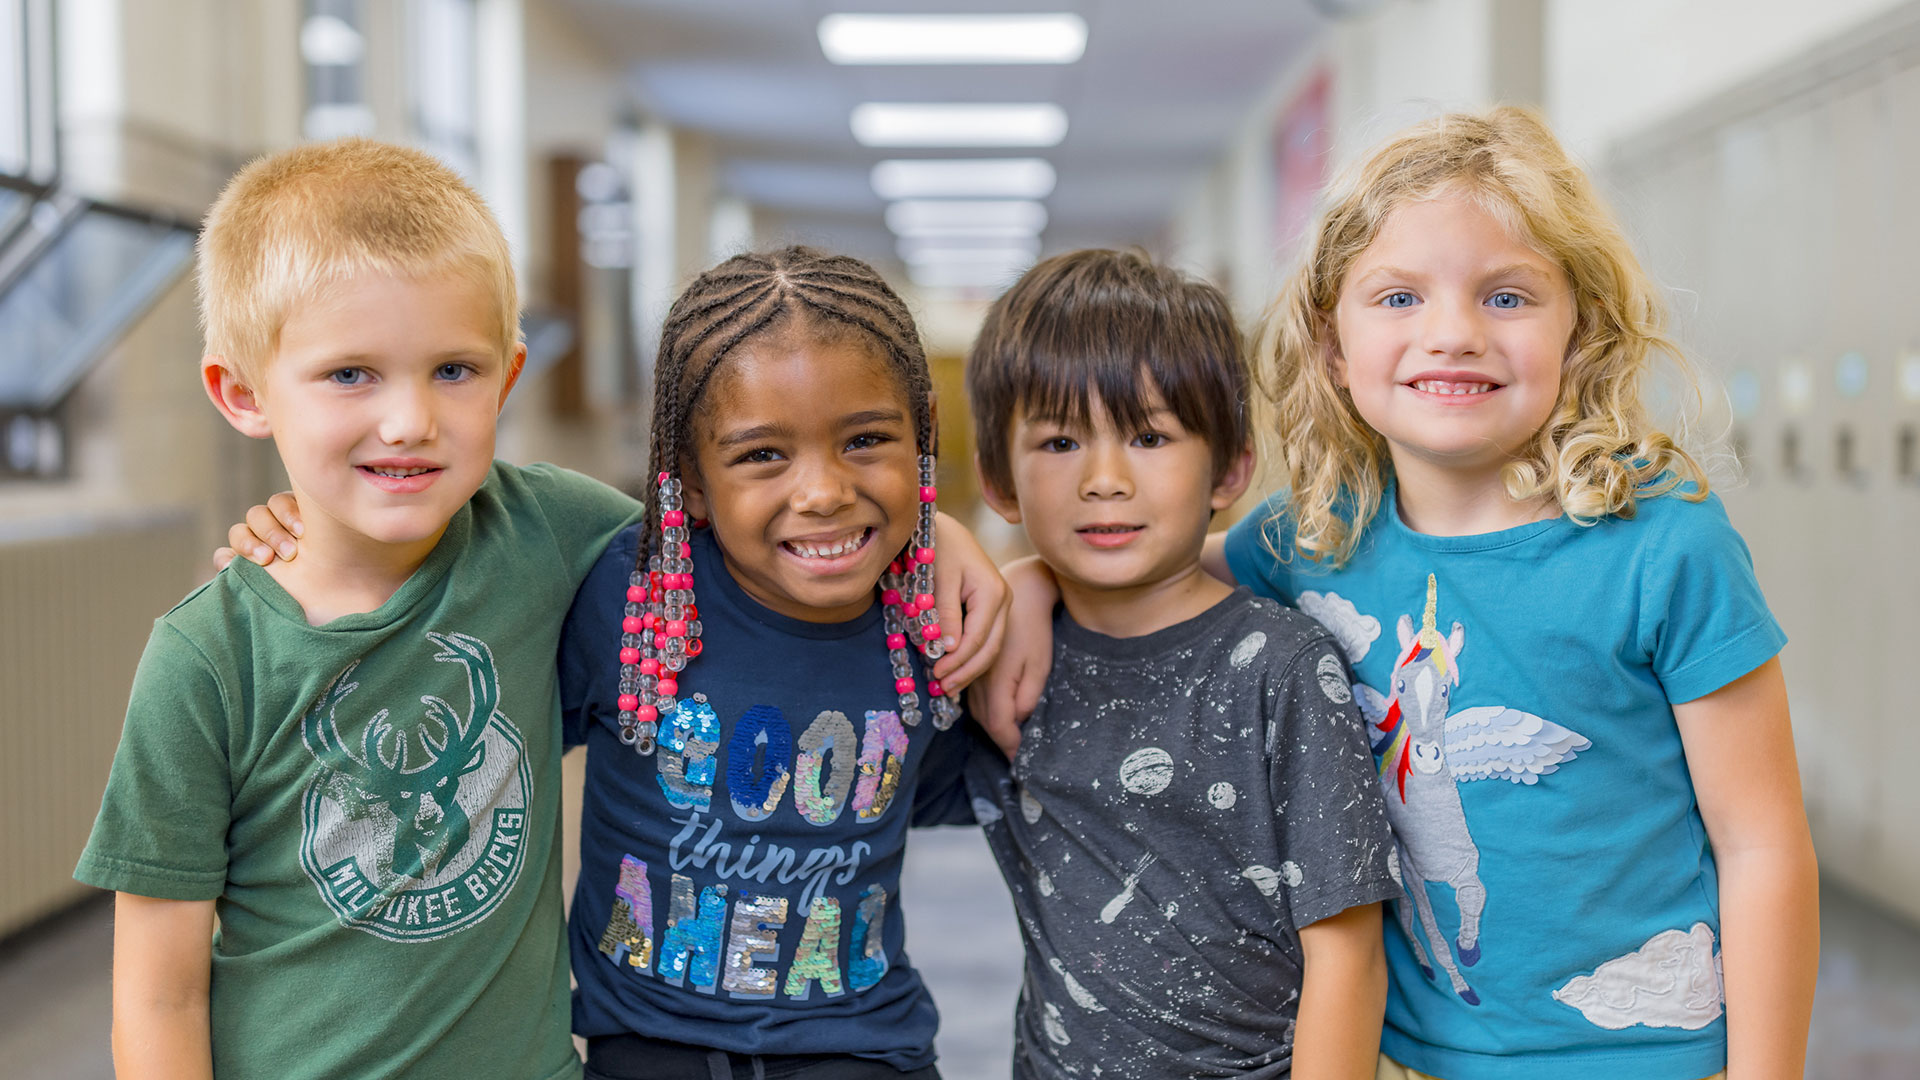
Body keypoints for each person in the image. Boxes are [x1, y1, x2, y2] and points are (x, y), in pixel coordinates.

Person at [984, 110, 1819, 1080]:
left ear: (1580, 327)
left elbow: (1762, 847)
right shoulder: (1318, 535)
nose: (1453, 334)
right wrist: (1033, 579)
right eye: (1398, 298)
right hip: (1407, 1060)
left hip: (1642, 1059)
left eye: (1508, 296)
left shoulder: (1665, 543)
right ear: (1332, 346)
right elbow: (1157, 561)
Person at [74, 138, 641, 1079]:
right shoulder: (206, 657)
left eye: (454, 371)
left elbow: (755, 549)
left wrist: (933, 534)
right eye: (351, 375)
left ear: (508, 376)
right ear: (245, 394)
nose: (410, 419)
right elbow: (155, 993)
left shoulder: (550, 531)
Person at [555, 246, 990, 1079]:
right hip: (646, 1053)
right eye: (762, 454)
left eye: (865, 439)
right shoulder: (628, 594)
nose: (822, 491)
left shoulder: (937, 617)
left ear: (923, 432)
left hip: (864, 1052)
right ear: (689, 468)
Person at [964, 249, 1398, 1079]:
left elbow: (1349, 958)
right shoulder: (1005, 664)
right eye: (1058, 441)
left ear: (1230, 469)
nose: (1104, 479)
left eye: (1150, 436)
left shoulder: (1283, 666)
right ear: (998, 481)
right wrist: (995, 567)